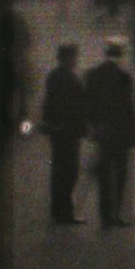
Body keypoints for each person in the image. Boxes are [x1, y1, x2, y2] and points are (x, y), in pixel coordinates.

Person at [83, 39, 135, 228]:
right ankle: (118, 215)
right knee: (120, 176)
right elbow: (128, 108)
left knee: (104, 175)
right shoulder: (124, 77)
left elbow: (87, 105)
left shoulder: (92, 75)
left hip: (103, 133)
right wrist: (133, 136)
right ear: (121, 55)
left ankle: (105, 216)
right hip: (121, 134)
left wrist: (94, 127)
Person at [40, 43, 88, 224]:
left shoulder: (54, 76)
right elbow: (76, 105)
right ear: (67, 58)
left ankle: (57, 209)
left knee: (60, 170)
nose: (75, 60)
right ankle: (65, 212)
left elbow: (48, 103)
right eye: (73, 56)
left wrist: (49, 123)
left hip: (58, 130)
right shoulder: (69, 78)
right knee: (69, 171)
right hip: (69, 130)